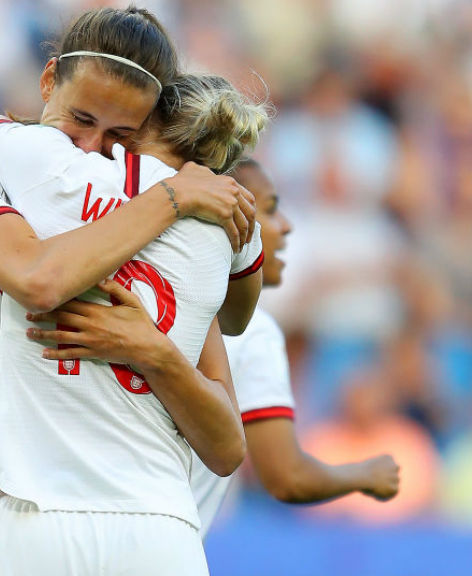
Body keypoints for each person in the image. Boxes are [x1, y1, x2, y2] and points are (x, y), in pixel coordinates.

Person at [0, 7, 258, 576]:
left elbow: (224, 439)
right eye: (80, 118)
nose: (90, 147)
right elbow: (36, 278)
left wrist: (154, 350)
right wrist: (173, 199)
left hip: (31, 514)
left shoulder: (137, 232)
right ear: (48, 81)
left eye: (121, 137)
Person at [0, 71, 268, 575]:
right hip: (159, 529)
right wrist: (158, 347)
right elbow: (237, 317)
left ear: (141, 121)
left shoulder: (52, 168)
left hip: (34, 517)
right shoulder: (230, 219)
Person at [37, 158, 401, 538]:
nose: (286, 226)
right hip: (157, 535)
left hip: (71, 524)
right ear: (231, 217)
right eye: (271, 210)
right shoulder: (256, 332)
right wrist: (366, 474)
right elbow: (286, 477)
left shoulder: (136, 292)